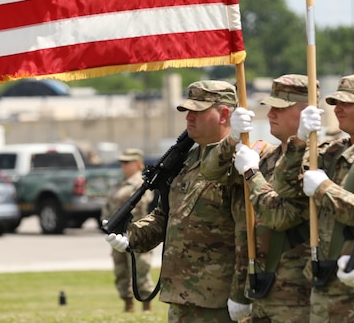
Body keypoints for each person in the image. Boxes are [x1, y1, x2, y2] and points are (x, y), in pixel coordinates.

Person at [105, 80, 250, 322]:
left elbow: (248, 234)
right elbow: (167, 215)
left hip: (219, 299)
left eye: (198, 111)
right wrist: (133, 235)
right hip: (182, 295)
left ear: (224, 114)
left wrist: (241, 294)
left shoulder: (241, 160)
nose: (189, 118)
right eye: (188, 111)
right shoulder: (188, 160)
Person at [206, 74, 314, 322]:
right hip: (261, 287)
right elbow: (211, 171)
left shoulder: (317, 160)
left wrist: (252, 174)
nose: (271, 114)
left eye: (281, 108)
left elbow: (280, 217)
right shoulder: (265, 156)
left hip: (297, 293)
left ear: (307, 112)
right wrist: (232, 138)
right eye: (270, 107)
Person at [288, 73, 354, 323]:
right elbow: (285, 184)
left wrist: (324, 188)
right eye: (336, 103)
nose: (338, 109)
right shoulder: (335, 151)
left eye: (347, 103)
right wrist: (300, 140)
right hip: (326, 278)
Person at [102, 148, 155, 312]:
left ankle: (146, 305)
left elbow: (142, 203)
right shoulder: (120, 184)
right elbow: (108, 205)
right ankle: (128, 303)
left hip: (136, 232)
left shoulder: (142, 183)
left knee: (140, 268)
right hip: (117, 233)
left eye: (127, 162)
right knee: (121, 269)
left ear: (138, 163)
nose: (123, 166)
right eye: (121, 162)